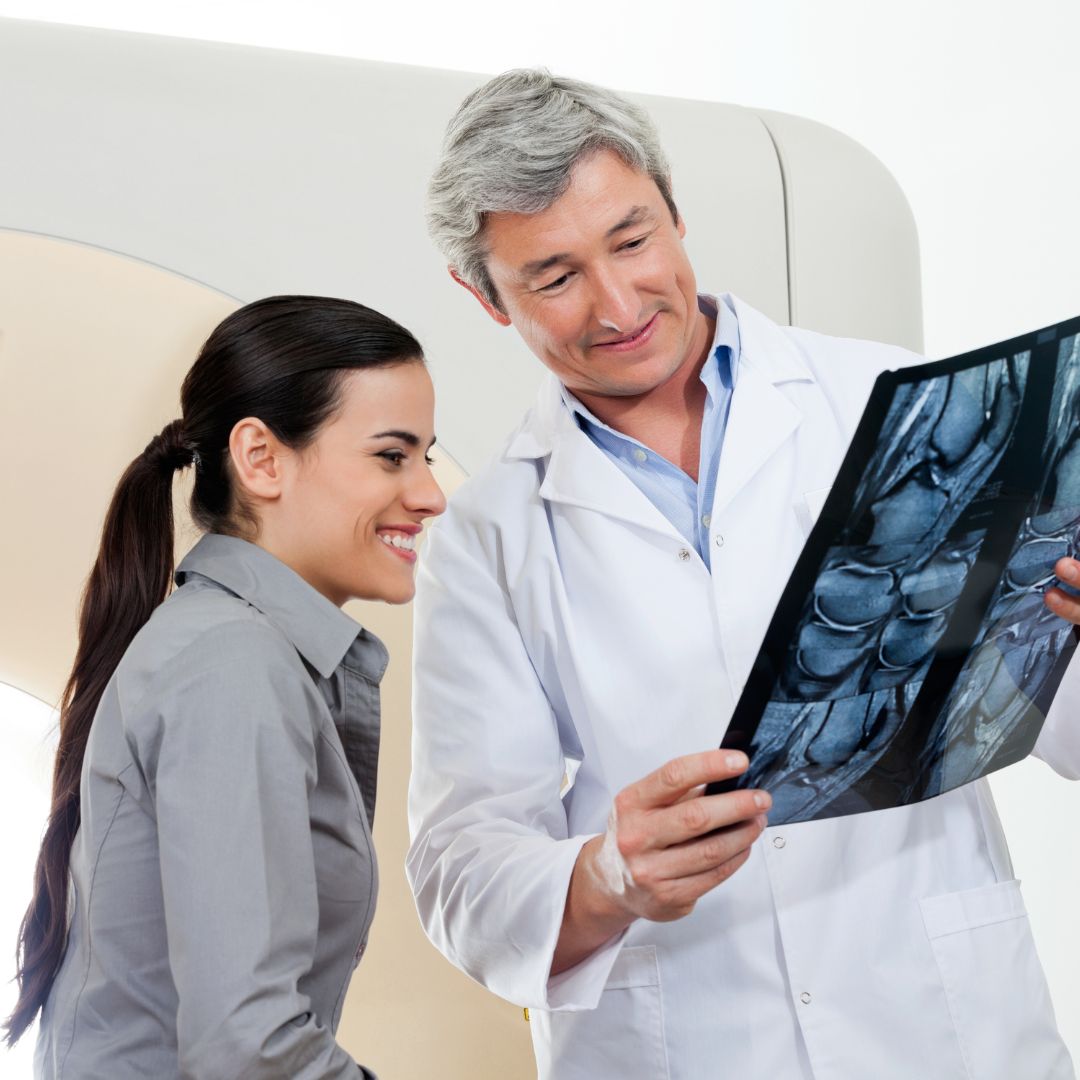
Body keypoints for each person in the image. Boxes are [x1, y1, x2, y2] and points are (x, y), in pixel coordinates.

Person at [406, 70, 1080, 1079]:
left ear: (674, 210)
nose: (618, 303)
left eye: (633, 241)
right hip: (686, 1040)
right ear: (485, 296)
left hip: (941, 1025)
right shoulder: (486, 536)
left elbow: (1050, 717)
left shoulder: (887, 402)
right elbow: (461, 865)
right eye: (554, 276)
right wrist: (607, 876)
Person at [6, 296, 446, 1078]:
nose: (429, 494)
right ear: (262, 459)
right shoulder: (232, 666)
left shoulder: (240, 652)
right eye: (391, 456)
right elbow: (251, 1048)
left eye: (428, 457)